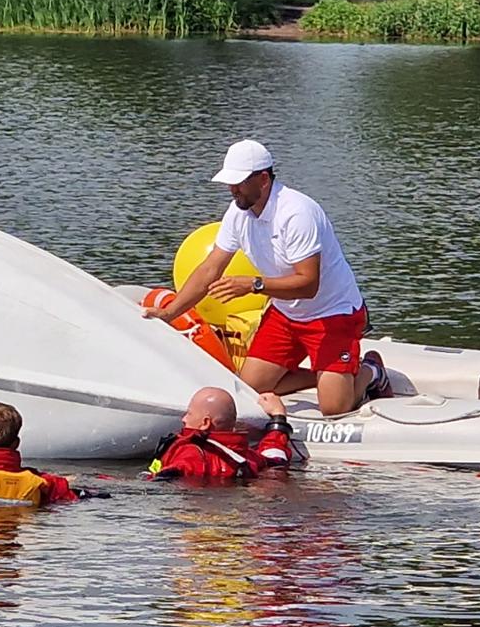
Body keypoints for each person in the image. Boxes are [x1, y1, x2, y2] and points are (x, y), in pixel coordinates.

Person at [145, 139, 390, 416]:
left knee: (334, 409)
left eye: (239, 183)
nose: (232, 189)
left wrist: (254, 285)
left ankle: (370, 370)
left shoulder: (297, 213)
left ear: (263, 179)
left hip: (332, 313)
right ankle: (326, 377)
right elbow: (209, 270)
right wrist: (169, 313)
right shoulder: (237, 213)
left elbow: (308, 285)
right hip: (286, 313)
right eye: (229, 182)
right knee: (249, 389)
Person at [145, 387, 307, 480]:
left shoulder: (191, 454)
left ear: (205, 423)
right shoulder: (245, 457)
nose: (184, 419)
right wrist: (278, 417)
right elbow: (276, 458)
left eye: (189, 413)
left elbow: (170, 475)